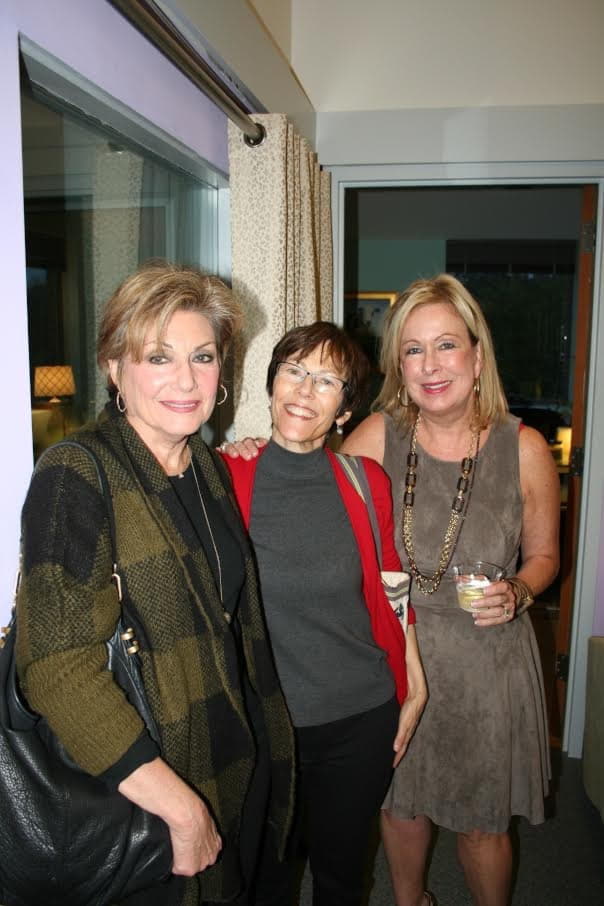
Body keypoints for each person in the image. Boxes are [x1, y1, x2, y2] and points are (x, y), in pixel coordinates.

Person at [15, 261, 295, 906]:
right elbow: (56, 669)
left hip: (234, 758)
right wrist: (181, 808)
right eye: (158, 357)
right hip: (149, 791)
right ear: (115, 368)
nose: (187, 380)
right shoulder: (76, 474)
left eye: (203, 356)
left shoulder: (207, 468)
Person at [342, 274, 560, 906]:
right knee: (401, 803)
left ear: (477, 355)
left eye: (446, 345)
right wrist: (258, 450)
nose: (431, 365)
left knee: (482, 823)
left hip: (487, 661)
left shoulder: (524, 448)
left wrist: (518, 591)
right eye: (413, 349)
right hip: (397, 656)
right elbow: (311, 493)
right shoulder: (377, 437)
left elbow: (546, 557)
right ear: (399, 365)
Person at [221, 322, 427, 906]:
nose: (304, 390)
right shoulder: (223, 475)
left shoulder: (365, 481)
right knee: (267, 881)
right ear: (271, 384)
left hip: (360, 718)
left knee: (343, 879)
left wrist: (416, 681)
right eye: (294, 371)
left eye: (326, 380)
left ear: (345, 410)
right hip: (265, 725)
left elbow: (392, 585)